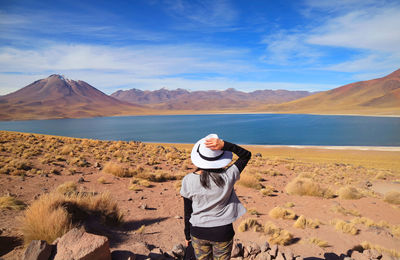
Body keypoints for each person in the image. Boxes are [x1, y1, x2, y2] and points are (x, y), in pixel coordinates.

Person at [180, 134, 252, 260]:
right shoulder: (228, 176)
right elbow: (246, 155)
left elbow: (188, 212)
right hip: (223, 232)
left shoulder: (188, 180)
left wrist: (187, 236)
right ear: (220, 158)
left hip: (198, 232)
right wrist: (225, 145)